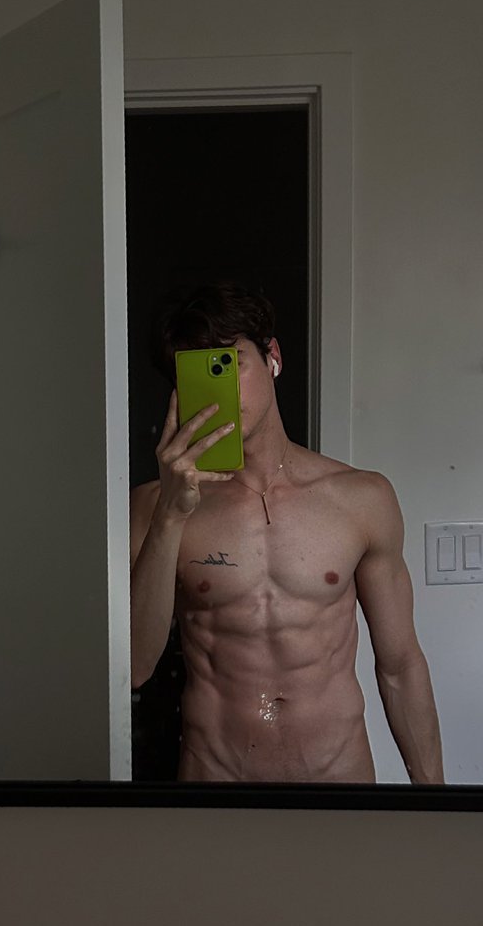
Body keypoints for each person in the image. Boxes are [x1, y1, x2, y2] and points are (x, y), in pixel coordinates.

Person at [129, 281, 444, 785]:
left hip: (339, 784)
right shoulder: (152, 507)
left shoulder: (362, 498)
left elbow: (401, 665)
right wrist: (171, 515)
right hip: (218, 786)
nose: (220, 392)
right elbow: (134, 667)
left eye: (230, 363)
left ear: (272, 356)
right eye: (198, 374)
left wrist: (435, 799)